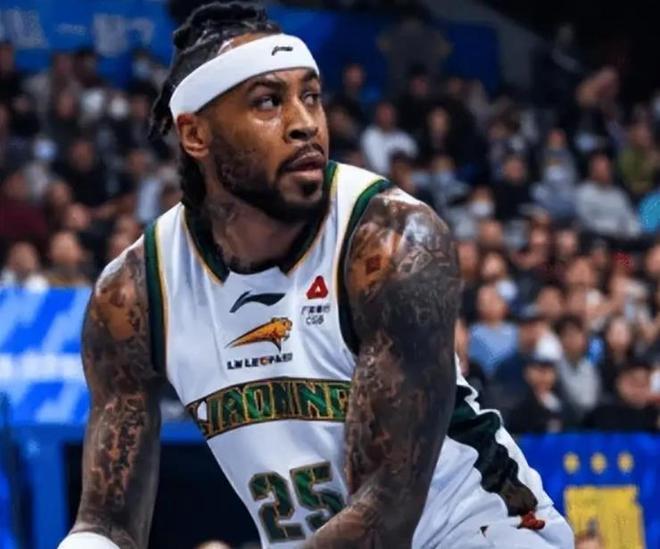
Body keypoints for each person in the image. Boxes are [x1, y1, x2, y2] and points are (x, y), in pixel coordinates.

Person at [59, 3, 573, 548]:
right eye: (267, 102)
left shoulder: (391, 241)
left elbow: (386, 513)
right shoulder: (134, 295)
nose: (304, 123)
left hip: (481, 529)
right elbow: (107, 523)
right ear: (195, 135)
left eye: (311, 96)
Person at [583, 360, 658, 432]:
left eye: (645, 383)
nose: (639, 389)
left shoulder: (655, 416)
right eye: (633, 382)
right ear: (619, 383)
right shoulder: (601, 415)